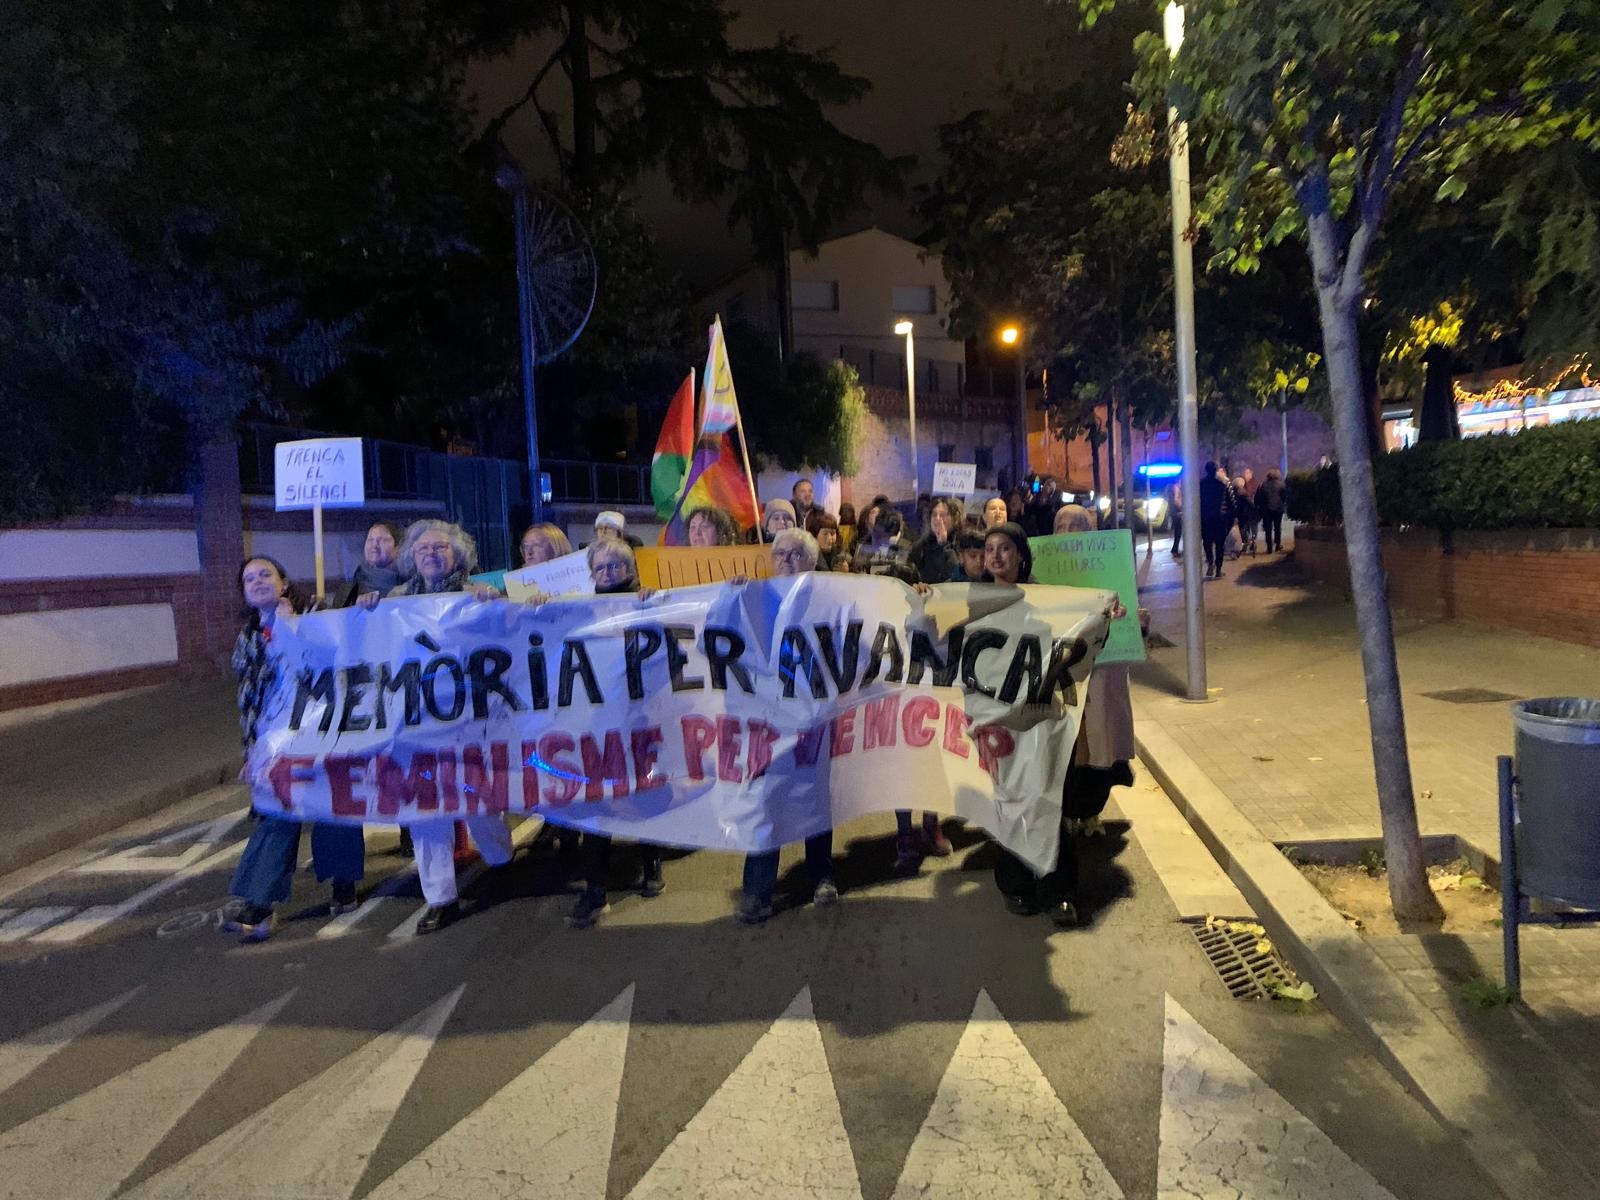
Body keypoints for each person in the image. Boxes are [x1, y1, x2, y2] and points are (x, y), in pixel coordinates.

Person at [355, 520, 514, 934]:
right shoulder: (393, 600)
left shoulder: (476, 595)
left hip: (468, 720)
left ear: (458, 555)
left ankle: (500, 859)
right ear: (411, 557)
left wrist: (495, 602)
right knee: (427, 810)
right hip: (416, 722)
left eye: (441, 548)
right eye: (423, 549)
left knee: (479, 799)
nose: (431, 554)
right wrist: (366, 611)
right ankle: (440, 897)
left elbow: (510, 637)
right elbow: (368, 646)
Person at [222, 557, 364, 941]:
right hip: (279, 738)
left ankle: (343, 880)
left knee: (333, 802)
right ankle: (258, 901)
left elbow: (339, 657)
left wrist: (293, 626)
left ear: (284, 583)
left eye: (264, 574)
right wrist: (252, 752)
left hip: (325, 727)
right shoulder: (249, 638)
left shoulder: (316, 615)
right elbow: (250, 701)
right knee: (276, 811)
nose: (257, 582)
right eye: (249, 578)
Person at [980, 523, 1102, 927]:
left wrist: (1106, 612)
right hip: (998, 723)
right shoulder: (968, 601)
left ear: (1021, 556)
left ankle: (1058, 890)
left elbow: (1079, 630)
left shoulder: (1047, 600)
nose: (996, 556)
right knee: (1010, 802)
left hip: (1043, 719)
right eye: (990, 549)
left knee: (1050, 798)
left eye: (1005, 549)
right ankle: (1015, 883)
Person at [736, 529, 839, 922]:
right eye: (780, 554)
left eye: (796, 554)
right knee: (765, 801)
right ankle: (757, 889)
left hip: (816, 716)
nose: (786, 560)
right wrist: (731, 600)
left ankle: (821, 875)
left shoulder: (831, 599)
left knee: (816, 798)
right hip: (768, 721)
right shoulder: (753, 598)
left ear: (812, 561)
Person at [566, 537, 666, 928]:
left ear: (630, 570)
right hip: (596, 723)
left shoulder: (646, 601)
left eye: (615, 567)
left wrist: (654, 602)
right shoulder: (576, 610)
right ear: (591, 574)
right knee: (598, 802)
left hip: (640, 716)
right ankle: (594, 886)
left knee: (644, 791)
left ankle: (651, 863)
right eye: (600, 568)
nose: (607, 574)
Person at [337, 523, 401, 607]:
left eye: (382, 540)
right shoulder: (349, 589)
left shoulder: (409, 584)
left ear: (397, 548)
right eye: (370, 540)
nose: (374, 545)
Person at [851, 506, 918, 583]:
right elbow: (856, 574)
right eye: (877, 535)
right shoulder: (864, 547)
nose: (879, 541)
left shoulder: (906, 549)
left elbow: (911, 579)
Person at [907, 498, 962, 584]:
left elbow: (955, 574)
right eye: (934, 514)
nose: (938, 519)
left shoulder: (962, 543)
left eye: (943, 515)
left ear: (955, 519)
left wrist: (943, 545)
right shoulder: (919, 547)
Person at [1198, 460, 1235, 580]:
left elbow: (1197, 502)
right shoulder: (1222, 485)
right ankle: (1218, 569)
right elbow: (1230, 503)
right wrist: (1232, 516)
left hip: (1206, 518)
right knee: (1220, 544)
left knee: (1207, 542)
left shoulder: (1201, 485)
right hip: (1220, 519)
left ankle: (1210, 563)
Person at [1256, 468, 1287, 553]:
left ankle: (1269, 547)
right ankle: (1278, 545)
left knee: (1268, 529)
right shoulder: (1282, 485)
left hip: (1267, 510)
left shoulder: (1263, 485)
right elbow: (1284, 497)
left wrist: (1260, 508)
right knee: (1277, 527)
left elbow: (1259, 498)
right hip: (1278, 509)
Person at [1233, 475, 1258, 557]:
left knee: (1243, 530)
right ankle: (1249, 543)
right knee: (1247, 529)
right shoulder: (1244, 493)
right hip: (1246, 514)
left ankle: (1246, 544)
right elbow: (1250, 504)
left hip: (1240, 514)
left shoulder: (1234, 493)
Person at [1168, 480, 1184, 557]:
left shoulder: (1170, 488)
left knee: (1177, 532)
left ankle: (1174, 548)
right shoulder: (1176, 488)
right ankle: (1175, 550)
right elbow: (1176, 500)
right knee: (1178, 532)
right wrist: (1182, 508)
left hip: (1173, 512)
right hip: (1177, 513)